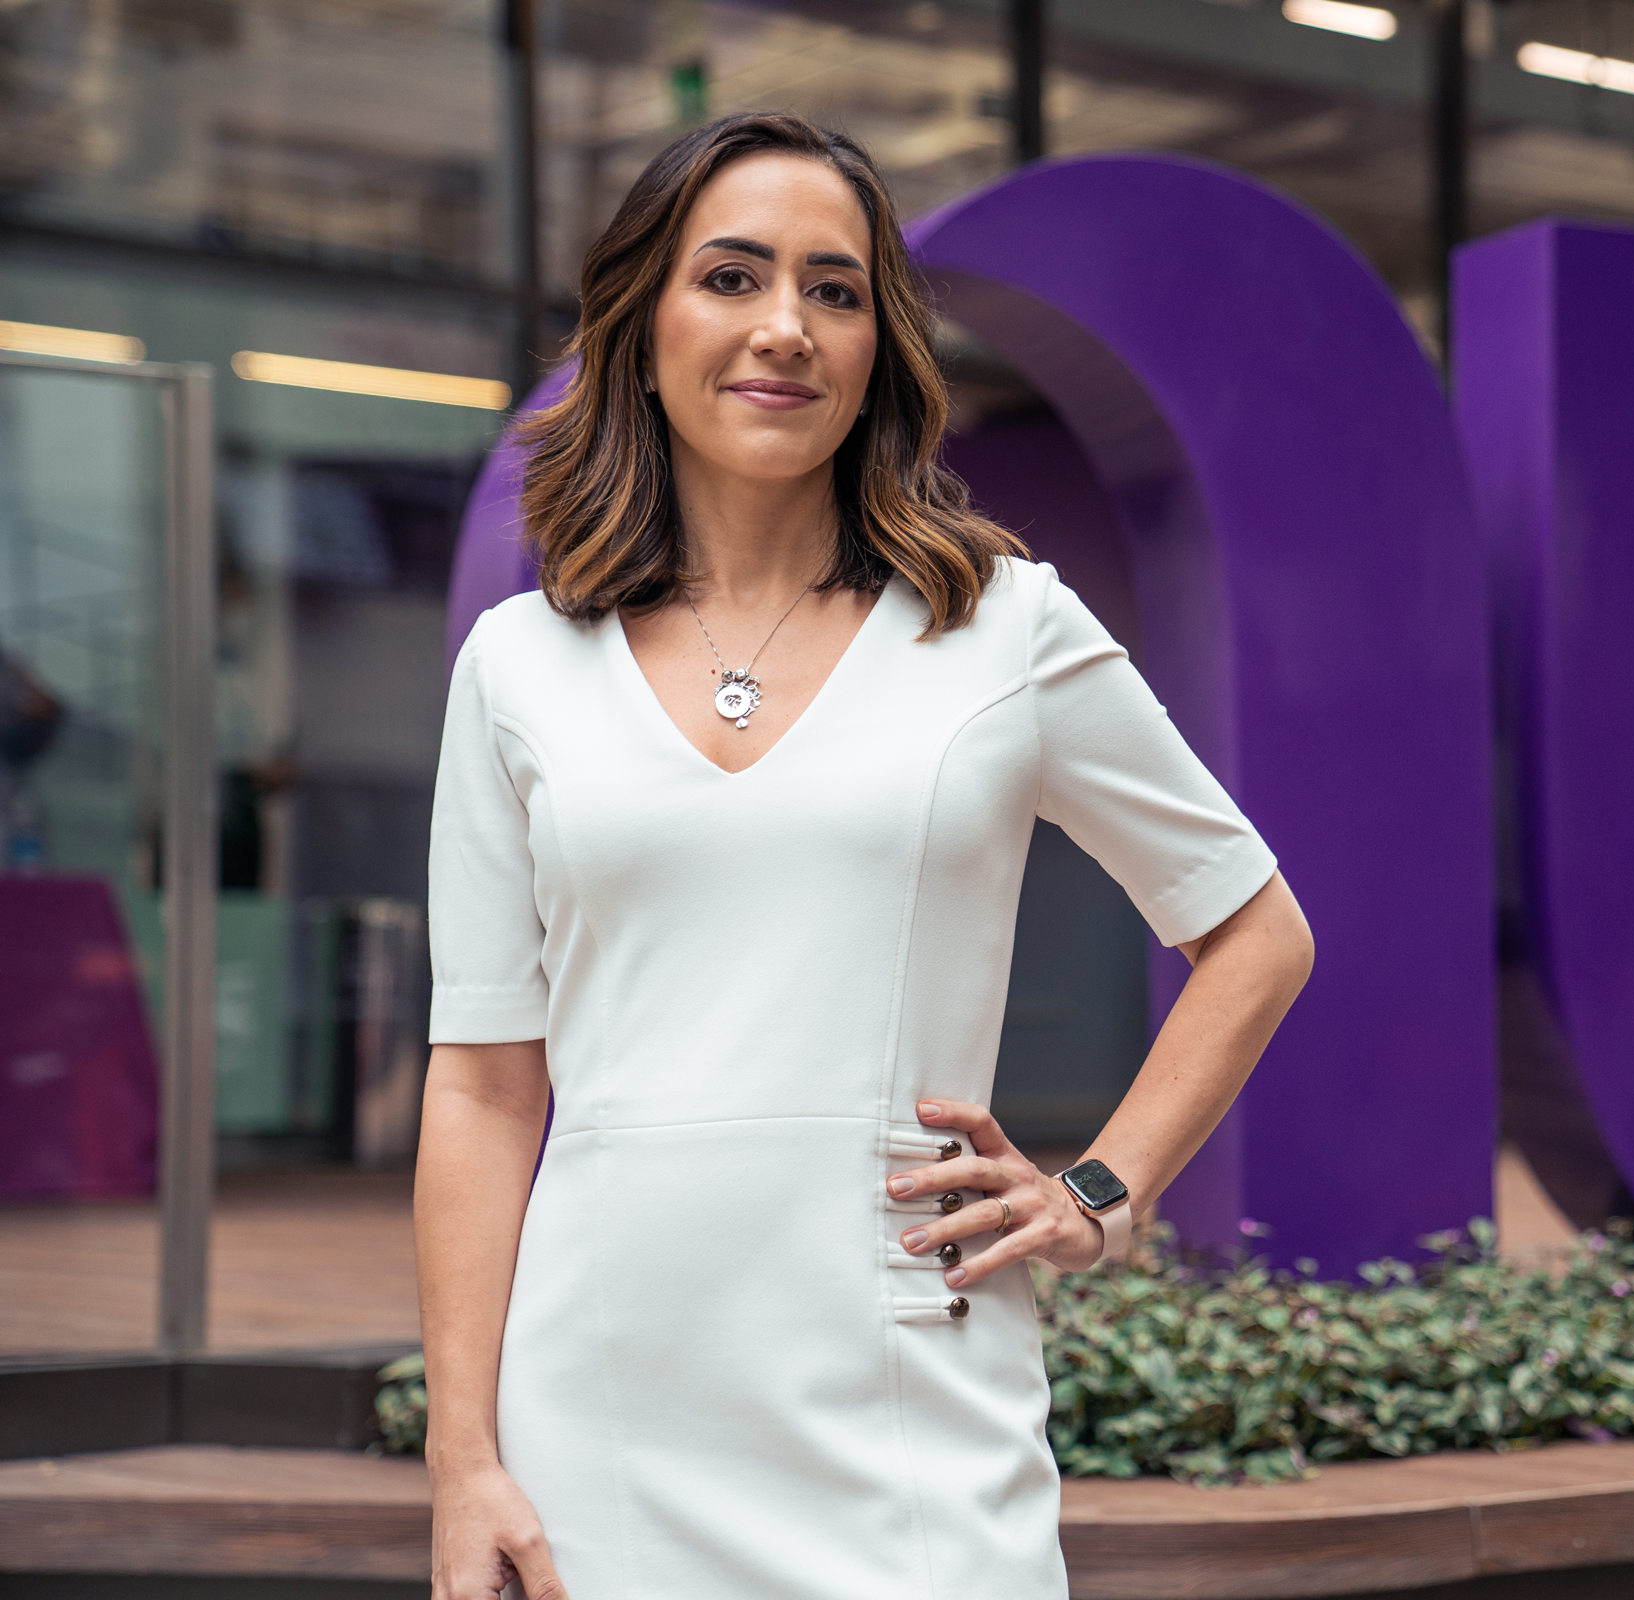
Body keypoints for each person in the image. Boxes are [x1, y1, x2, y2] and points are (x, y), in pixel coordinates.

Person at [414, 112, 1314, 1600]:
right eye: (733, 277)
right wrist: (465, 1458)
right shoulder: (518, 665)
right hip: (601, 1407)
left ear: (879, 348)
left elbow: (1255, 931)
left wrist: (1101, 1190)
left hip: (908, 1400)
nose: (785, 328)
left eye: (834, 290)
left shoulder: (1004, 626)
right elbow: (483, 1083)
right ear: (639, 326)